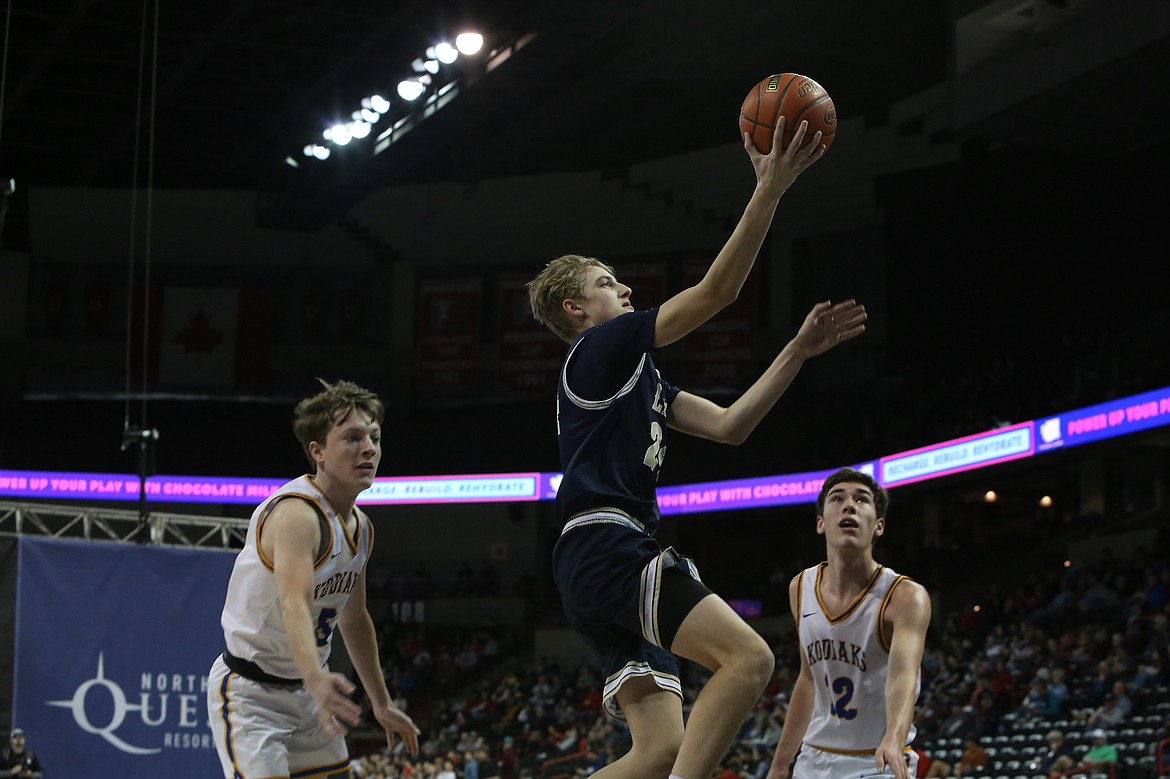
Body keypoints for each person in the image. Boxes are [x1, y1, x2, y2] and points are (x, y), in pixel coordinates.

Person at [526, 117, 860, 779]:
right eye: (607, 282)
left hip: (590, 560)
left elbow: (732, 424)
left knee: (659, 753)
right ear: (574, 308)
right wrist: (770, 187)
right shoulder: (599, 348)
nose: (624, 290)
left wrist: (796, 350)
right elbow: (718, 293)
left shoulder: (636, 373)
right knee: (751, 659)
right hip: (607, 544)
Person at [206, 379, 420, 778]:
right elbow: (294, 604)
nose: (369, 448)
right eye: (353, 438)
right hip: (254, 694)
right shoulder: (296, 515)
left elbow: (354, 619)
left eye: (374, 437)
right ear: (317, 452)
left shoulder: (363, 528)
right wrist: (318, 680)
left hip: (308, 693)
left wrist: (382, 702)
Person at [766, 468, 933, 779]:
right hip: (813, 758)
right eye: (837, 498)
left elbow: (903, 676)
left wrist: (894, 739)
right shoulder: (800, 587)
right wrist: (780, 761)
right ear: (820, 522)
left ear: (879, 525)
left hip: (877, 758)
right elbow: (808, 680)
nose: (849, 505)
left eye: (862, 500)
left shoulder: (906, 597)